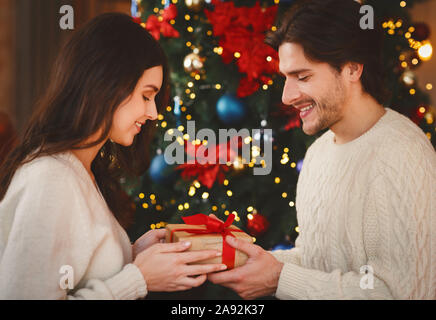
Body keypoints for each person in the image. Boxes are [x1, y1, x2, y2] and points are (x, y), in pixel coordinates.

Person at [208, 0, 436, 299]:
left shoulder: (402, 155)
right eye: (286, 78)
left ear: (352, 69)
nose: (288, 96)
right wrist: (252, 261)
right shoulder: (318, 154)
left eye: (303, 77)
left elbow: (401, 293)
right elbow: (318, 260)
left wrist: (279, 279)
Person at [0, 13, 226, 300]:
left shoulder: (82, 171)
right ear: (106, 85)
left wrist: (129, 255)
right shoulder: (50, 178)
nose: (153, 113)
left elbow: (78, 271)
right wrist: (138, 278)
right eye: (146, 95)